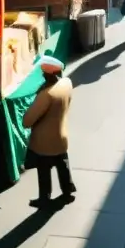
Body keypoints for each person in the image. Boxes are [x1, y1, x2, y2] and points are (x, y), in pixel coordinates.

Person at [22, 56, 75, 208]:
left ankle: (44, 198)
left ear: (48, 75)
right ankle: (68, 190)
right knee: (62, 162)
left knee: (44, 170)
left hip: (44, 141)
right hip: (62, 136)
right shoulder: (67, 83)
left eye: (44, 74)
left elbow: (27, 121)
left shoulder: (47, 95)